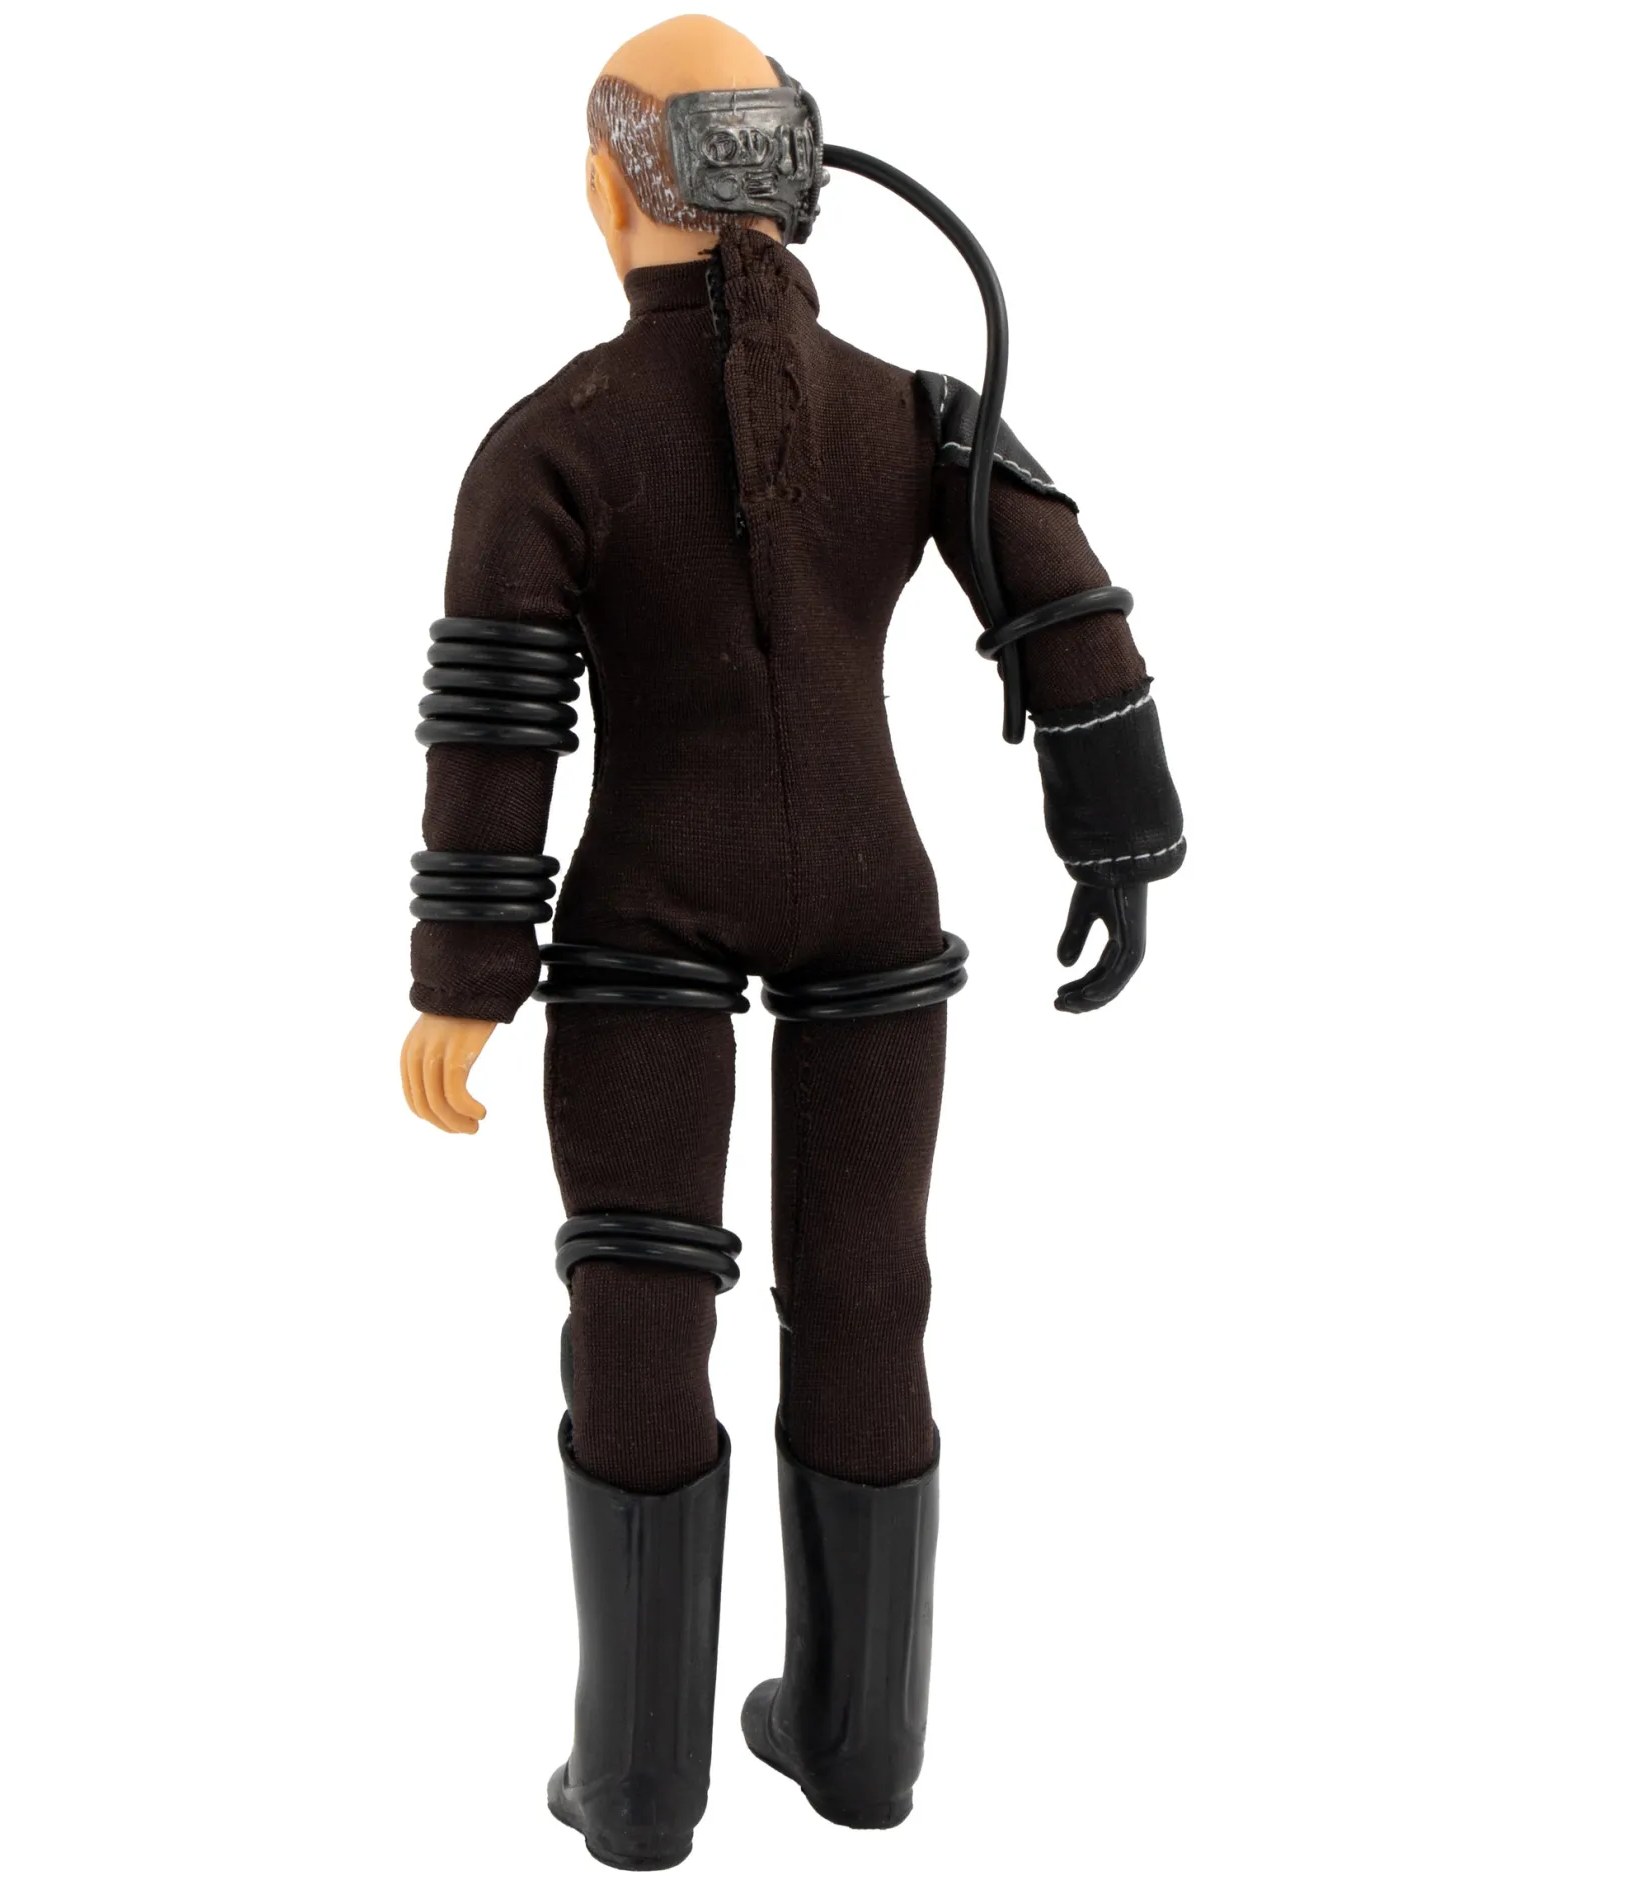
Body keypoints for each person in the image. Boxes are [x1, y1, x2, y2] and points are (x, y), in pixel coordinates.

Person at [398, 16, 1184, 1868]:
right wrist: (1118, 844)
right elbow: (1070, 613)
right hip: (874, 908)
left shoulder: (552, 440)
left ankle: (639, 1783)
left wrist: (464, 983)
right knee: (867, 1289)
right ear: (801, 181)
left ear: (609, 199)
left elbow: (501, 725)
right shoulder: (911, 412)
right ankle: (858, 1747)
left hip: (646, 917)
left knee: (637, 1297)